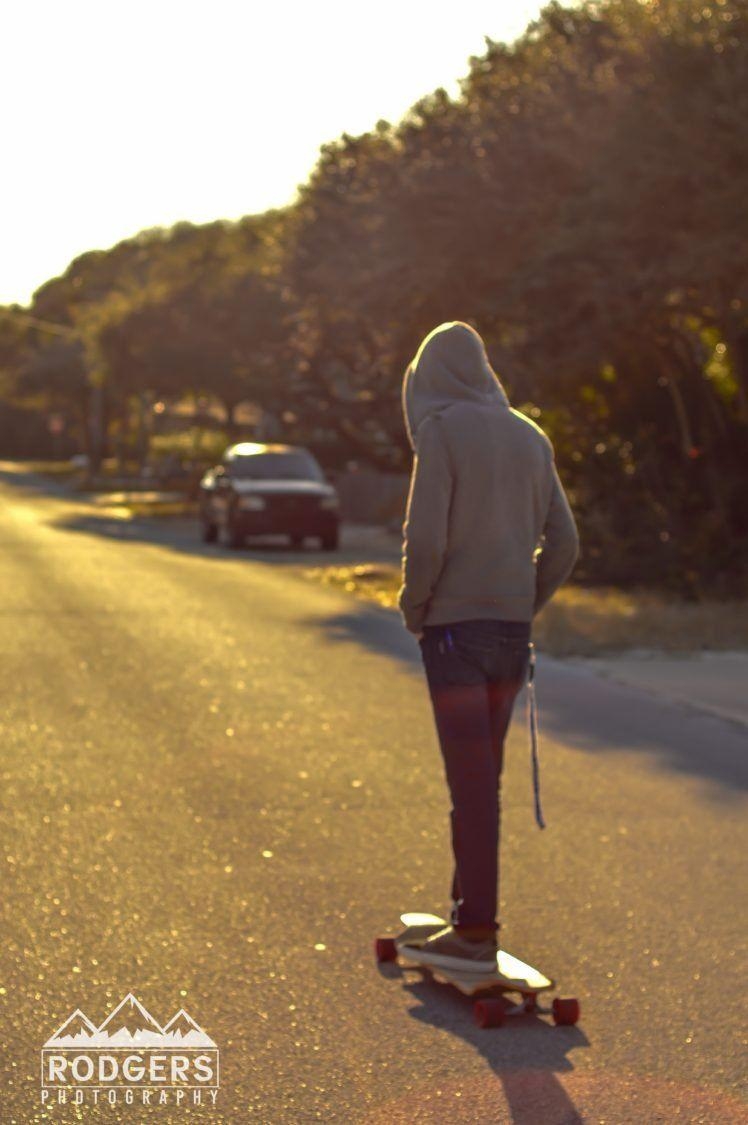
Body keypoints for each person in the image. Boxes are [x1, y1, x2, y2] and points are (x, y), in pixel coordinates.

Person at [398, 321, 579, 973]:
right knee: (483, 781)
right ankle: (464, 910)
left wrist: (415, 607)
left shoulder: (443, 429)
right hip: (509, 634)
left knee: (468, 785)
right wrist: (521, 605)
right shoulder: (531, 436)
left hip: (454, 633)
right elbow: (564, 543)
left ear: (427, 376)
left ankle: (475, 928)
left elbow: (426, 541)